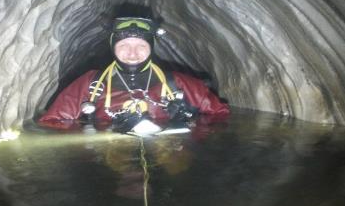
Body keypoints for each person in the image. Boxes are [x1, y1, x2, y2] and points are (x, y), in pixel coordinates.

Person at [38, 17, 229, 132]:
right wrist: (101, 132)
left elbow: (221, 114)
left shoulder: (177, 83)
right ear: (113, 47)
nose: (132, 54)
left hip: (165, 159)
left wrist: (191, 118)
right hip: (107, 159)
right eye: (124, 46)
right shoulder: (92, 83)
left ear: (151, 48)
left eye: (141, 46)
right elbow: (51, 122)